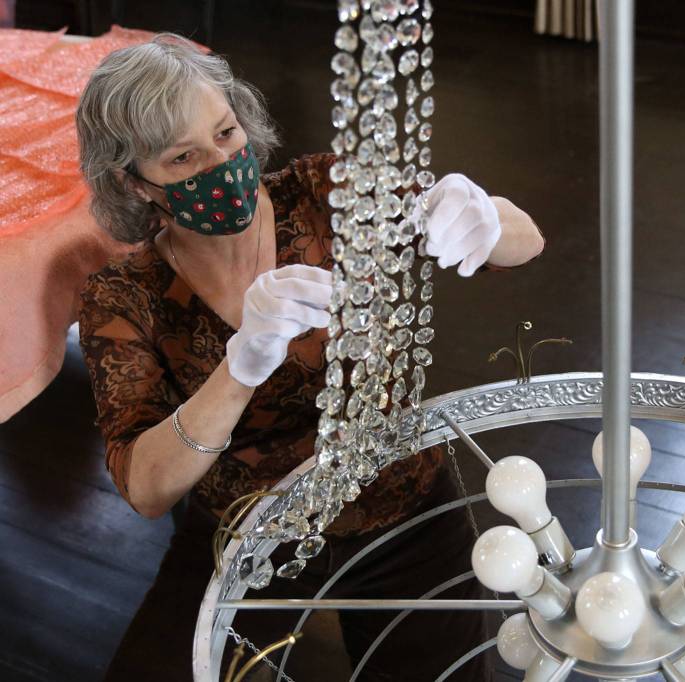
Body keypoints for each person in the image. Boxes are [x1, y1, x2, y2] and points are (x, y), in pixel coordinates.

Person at [75, 33, 545, 681]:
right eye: (183, 158)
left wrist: (484, 216)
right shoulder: (125, 296)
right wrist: (239, 369)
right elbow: (146, 487)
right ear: (137, 185)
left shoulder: (327, 194)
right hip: (248, 529)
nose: (220, 164)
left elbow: (528, 242)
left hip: (402, 504)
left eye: (226, 133)